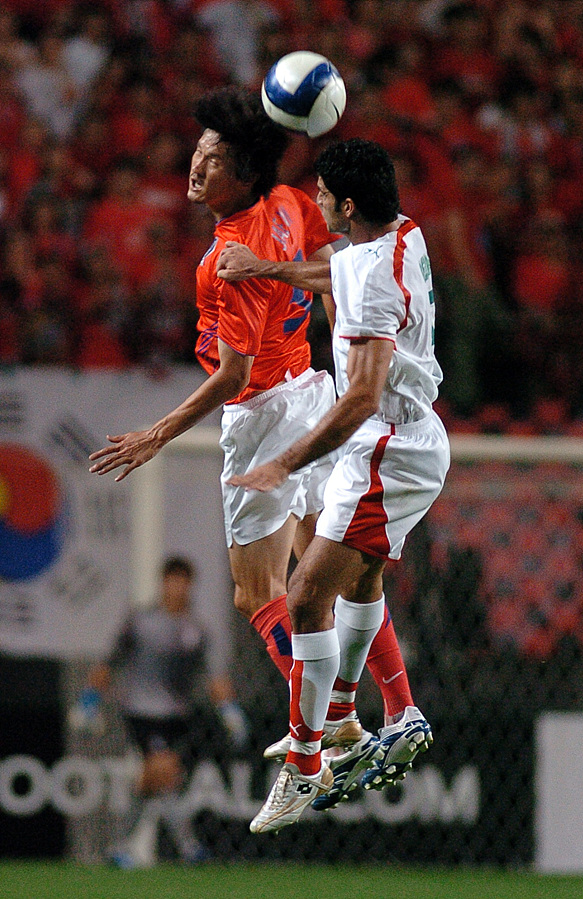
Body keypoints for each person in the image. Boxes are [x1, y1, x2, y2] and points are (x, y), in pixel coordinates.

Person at [88, 86, 426, 788]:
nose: (195, 165)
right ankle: (396, 708)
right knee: (333, 568)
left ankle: (325, 727)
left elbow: (233, 374)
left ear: (242, 173)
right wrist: (346, 342)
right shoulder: (294, 204)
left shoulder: (228, 256)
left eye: (212, 158)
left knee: (257, 592)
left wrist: (157, 433)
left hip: (263, 415)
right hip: (312, 390)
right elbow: (335, 272)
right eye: (197, 150)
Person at [218, 137, 451, 832]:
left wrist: (286, 462)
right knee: (360, 581)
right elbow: (333, 271)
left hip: (386, 447)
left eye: (323, 194)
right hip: (398, 439)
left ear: (348, 205)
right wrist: (264, 266)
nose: (315, 201)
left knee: (305, 596)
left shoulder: (375, 284)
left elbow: (360, 397)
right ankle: (376, 714)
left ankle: (306, 763)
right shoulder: (402, 234)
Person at [74, 555, 248, 866]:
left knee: (154, 782)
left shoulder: (196, 630)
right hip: (142, 712)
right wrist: (89, 700)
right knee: (164, 771)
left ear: (190, 586)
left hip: (178, 716)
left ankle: (118, 847)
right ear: (163, 584)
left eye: (183, 582)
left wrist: (229, 711)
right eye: (172, 581)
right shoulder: (141, 622)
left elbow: (214, 677)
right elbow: (110, 662)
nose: (177, 588)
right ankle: (189, 847)